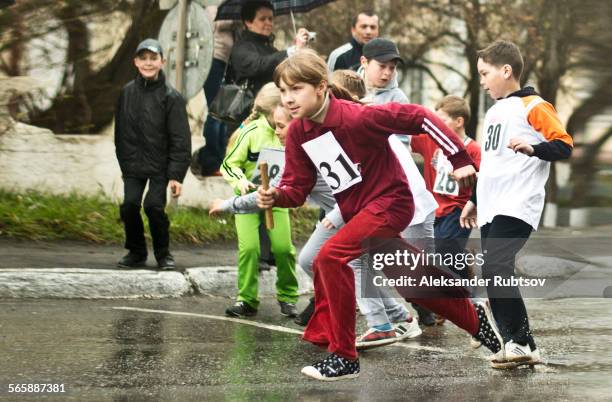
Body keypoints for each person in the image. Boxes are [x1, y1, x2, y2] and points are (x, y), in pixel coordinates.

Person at [257, 50, 505, 381]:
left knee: (329, 258)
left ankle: (344, 357)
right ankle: (477, 320)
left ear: (320, 88)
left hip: (392, 202)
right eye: (283, 91)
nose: (287, 99)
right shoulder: (300, 133)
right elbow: (296, 189)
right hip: (360, 212)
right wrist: (275, 196)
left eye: (296, 89)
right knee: (414, 283)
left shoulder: (358, 117)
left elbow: (421, 117)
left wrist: (459, 157)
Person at [461, 40, 573, 368]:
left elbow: (564, 145)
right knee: (493, 269)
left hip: (519, 203)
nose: (481, 80)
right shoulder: (495, 111)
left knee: (495, 266)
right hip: (493, 205)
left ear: (506, 70)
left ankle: (518, 342)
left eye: (485, 73)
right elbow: (492, 165)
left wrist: (533, 148)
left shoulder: (534, 105)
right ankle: (524, 344)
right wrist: (474, 200)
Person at [219, 83, 299, 318]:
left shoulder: (292, 131)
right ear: (273, 109)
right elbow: (228, 164)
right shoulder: (251, 132)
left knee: (284, 249)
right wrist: (240, 182)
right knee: (250, 249)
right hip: (247, 200)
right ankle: (247, 300)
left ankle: (288, 297)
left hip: (276, 199)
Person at [114, 38, 191, 271]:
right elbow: (121, 132)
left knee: (153, 207)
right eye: (143, 58)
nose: (148, 63)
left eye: (153, 58)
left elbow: (180, 139)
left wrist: (176, 175)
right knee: (129, 205)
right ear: (136, 62)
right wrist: (125, 163)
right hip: (133, 165)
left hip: (160, 166)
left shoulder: (172, 97)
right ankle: (136, 252)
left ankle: (163, 254)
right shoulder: (126, 92)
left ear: (162, 62)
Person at [411, 96, 481, 281]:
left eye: (441, 121)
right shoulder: (429, 140)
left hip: (458, 210)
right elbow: (404, 139)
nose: (436, 125)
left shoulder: (473, 149)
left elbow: (484, 180)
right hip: (433, 210)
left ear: (459, 121)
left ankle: (469, 294)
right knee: (429, 257)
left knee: (444, 252)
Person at [196, 6, 243, 176]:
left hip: (226, 60)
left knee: (223, 113)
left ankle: (218, 160)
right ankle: (209, 162)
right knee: (215, 112)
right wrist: (239, 15)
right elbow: (217, 23)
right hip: (213, 58)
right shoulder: (213, 5)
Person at [229, 0, 310, 97]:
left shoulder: (271, 48)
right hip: (251, 107)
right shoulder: (240, 47)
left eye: (271, 19)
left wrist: (299, 49)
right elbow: (259, 66)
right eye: (262, 19)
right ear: (248, 22)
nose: (268, 23)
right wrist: (291, 51)